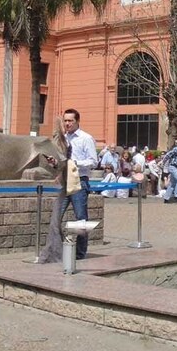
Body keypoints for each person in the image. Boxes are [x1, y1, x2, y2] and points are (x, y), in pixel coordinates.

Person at [54, 109, 98, 259]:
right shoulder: (63, 139)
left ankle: (80, 252)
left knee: (81, 218)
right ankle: (59, 248)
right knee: (56, 217)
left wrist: (75, 163)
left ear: (77, 121)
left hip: (79, 181)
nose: (67, 123)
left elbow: (93, 161)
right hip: (64, 182)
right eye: (65, 120)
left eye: (70, 121)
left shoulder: (86, 138)